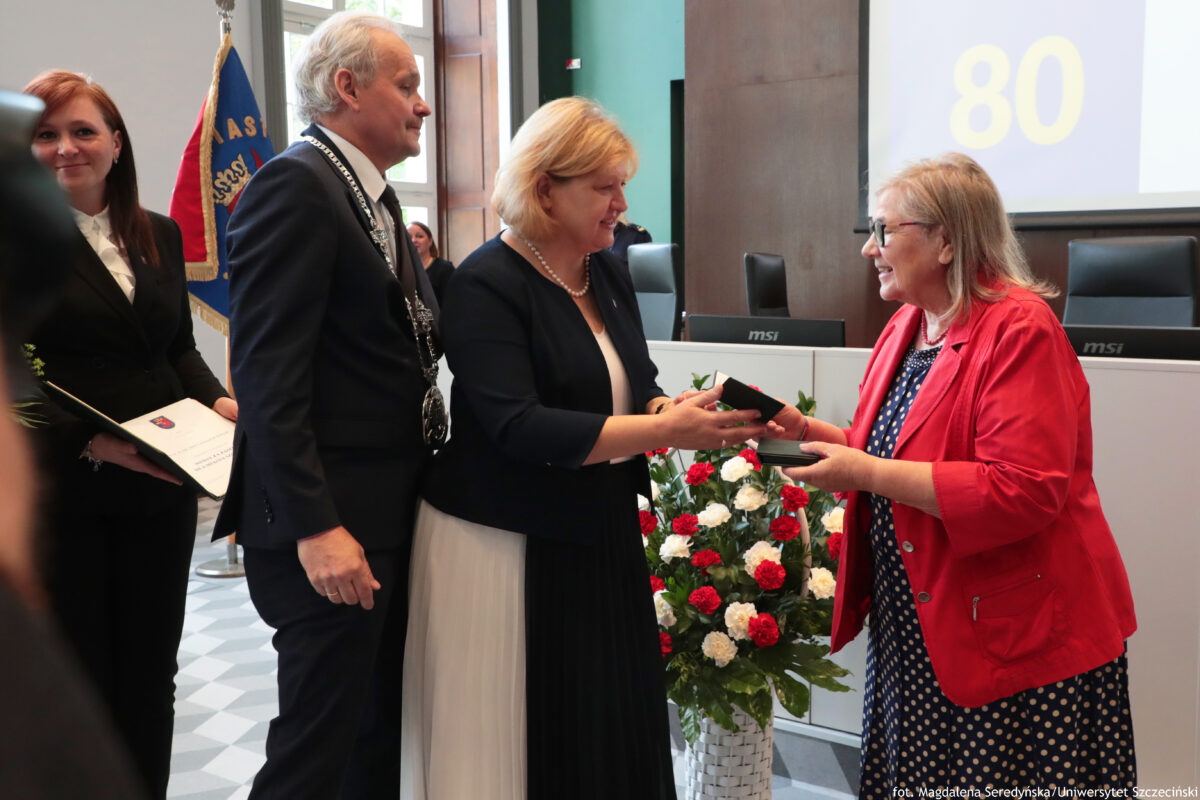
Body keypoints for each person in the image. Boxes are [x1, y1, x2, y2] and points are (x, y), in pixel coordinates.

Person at [401, 96, 767, 800]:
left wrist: (672, 408)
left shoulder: (606, 270)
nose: (621, 203)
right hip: (503, 540)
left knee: (606, 721)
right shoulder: (486, 282)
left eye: (620, 185)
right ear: (545, 188)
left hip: (593, 526)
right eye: (604, 186)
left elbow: (637, 384)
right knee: (521, 741)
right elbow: (521, 427)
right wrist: (664, 431)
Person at [775, 153, 1137, 793]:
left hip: (1013, 643)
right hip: (917, 633)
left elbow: (1023, 490)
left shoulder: (1020, 328)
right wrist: (803, 431)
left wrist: (865, 469)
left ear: (945, 240)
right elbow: (884, 451)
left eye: (885, 230)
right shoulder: (907, 325)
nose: (869, 249)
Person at [212, 11, 438, 799]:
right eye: (406, 85)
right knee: (317, 752)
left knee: (369, 742)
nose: (423, 104)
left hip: (380, 511)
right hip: (330, 527)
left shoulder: (366, 199)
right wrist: (317, 526)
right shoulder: (295, 185)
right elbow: (269, 378)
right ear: (347, 86)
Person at [21, 70, 236, 800]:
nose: (65, 148)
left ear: (116, 143)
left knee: (152, 676)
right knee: (83, 679)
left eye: (83, 131)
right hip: (67, 494)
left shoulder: (161, 234)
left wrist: (219, 401)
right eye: (46, 134)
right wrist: (90, 441)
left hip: (162, 489)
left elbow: (174, 347)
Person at [406, 220, 454, 304]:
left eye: (419, 236)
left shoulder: (445, 269)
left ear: (430, 241)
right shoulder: (401, 270)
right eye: (409, 237)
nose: (413, 240)